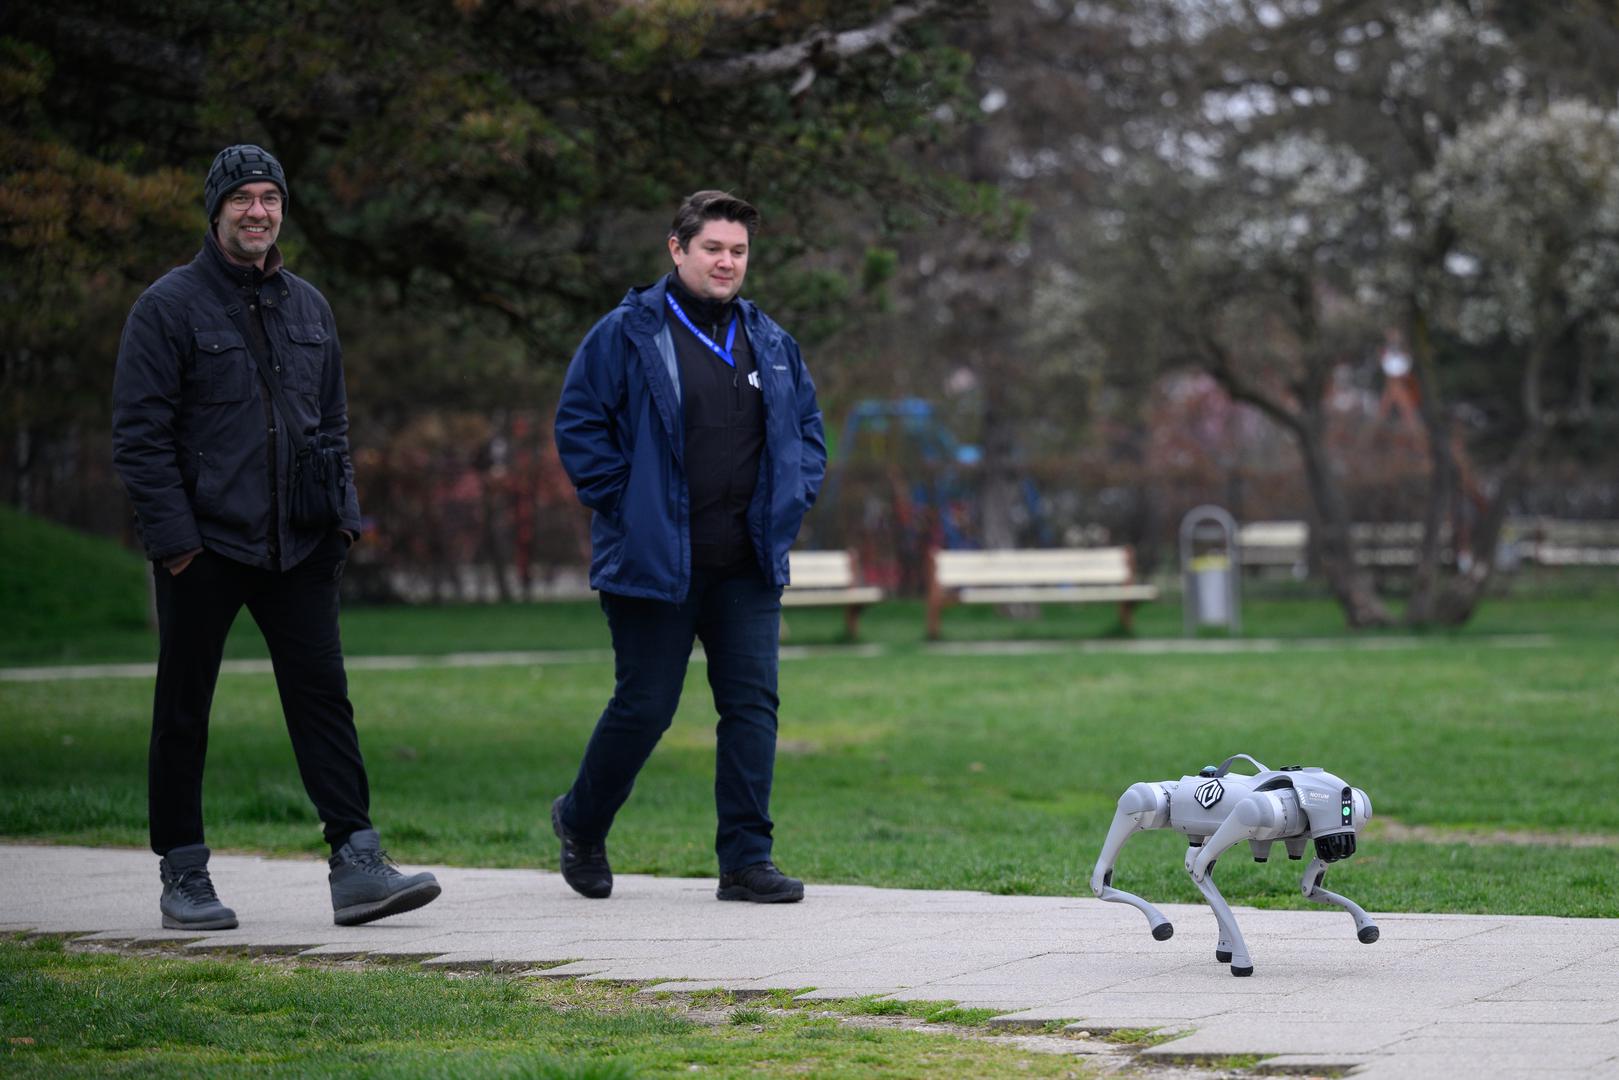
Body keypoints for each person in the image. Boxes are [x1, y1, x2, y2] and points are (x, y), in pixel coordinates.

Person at [111, 145, 441, 930]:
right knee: (184, 709)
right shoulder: (167, 307)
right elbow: (139, 436)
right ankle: (183, 874)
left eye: (270, 197)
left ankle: (357, 862)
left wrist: (341, 522)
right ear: (216, 208)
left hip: (300, 545)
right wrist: (176, 543)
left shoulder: (309, 307)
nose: (258, 211)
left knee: (324, 699)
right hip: (206, 545)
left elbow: (331, 422)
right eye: (243, 198)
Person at [552, 190, 827, 903]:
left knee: (751, 709)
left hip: (746, 566)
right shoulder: (625, 333)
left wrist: (793, 497)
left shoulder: (769, 339)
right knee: (645, 706)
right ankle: (580, 823)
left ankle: (745, 862)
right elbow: (579, 425)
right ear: (677, 250)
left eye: (737, 251)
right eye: (713, 249)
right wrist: (626, 502)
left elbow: (807, 431)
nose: (726, 262)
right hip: (653, 564)